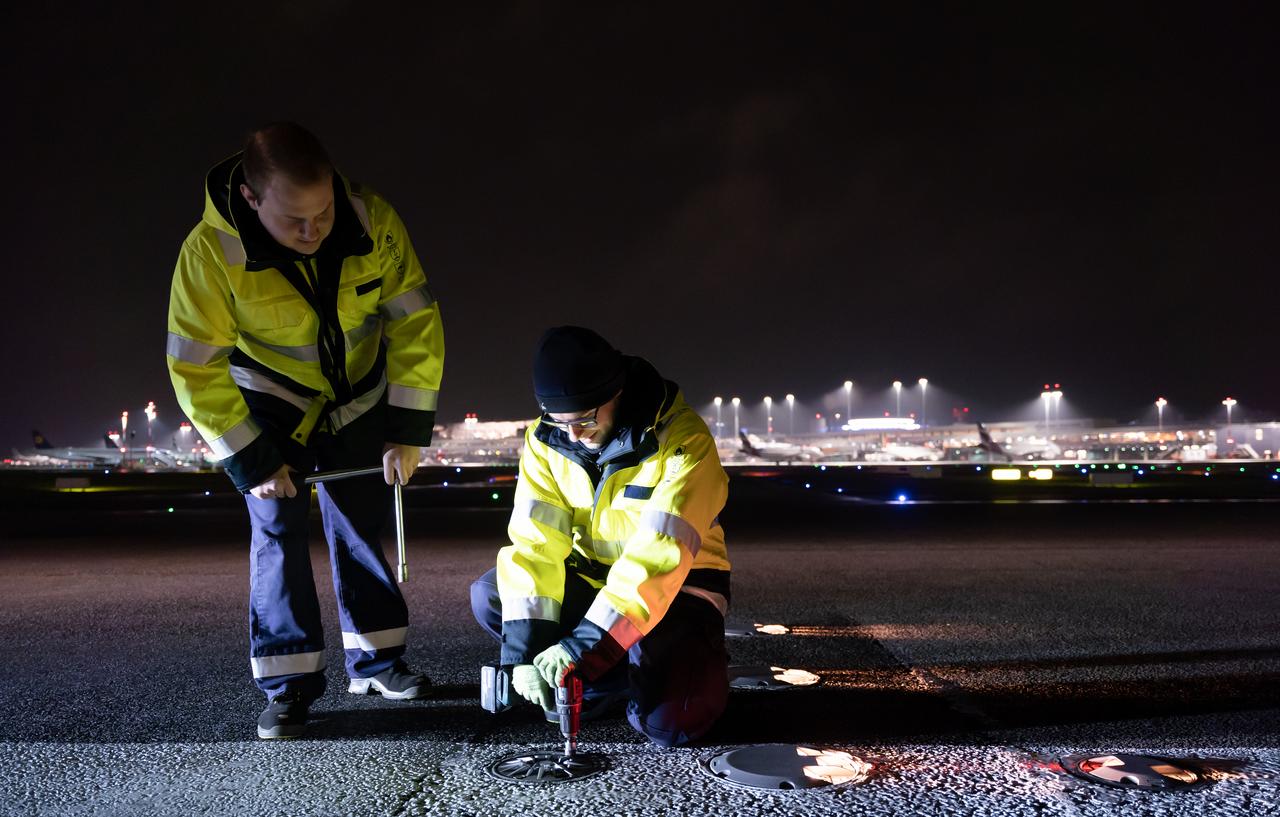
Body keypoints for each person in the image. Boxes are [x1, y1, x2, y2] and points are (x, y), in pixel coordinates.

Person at [166, 122, 444, 739]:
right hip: (269, 403)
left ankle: (377, 663)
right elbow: (193, 365)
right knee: (277, 537)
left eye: (322, 214)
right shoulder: (209, 254)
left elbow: (416, 323)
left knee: (363, 527)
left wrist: (408, 430)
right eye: (295, 221)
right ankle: (288, 688)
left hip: (358, 396)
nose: (313, 232)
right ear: (250, 199)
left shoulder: (373, 220)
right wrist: (251, 460)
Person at [470, 326, 731, 747]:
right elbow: (535, 546)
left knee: (673, 726)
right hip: (595, 585)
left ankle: (638, 670)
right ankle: (602, 674)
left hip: (677, 593)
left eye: (586, 419)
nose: (573, 434)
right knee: (492, 593)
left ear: (618, 393)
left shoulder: (683, 441)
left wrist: (579, 648)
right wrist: (522, 656)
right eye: (560, 420)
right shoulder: (546, 441)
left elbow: (656, 560)